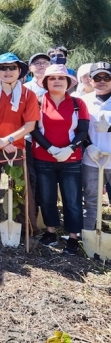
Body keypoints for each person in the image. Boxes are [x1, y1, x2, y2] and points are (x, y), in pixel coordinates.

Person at [0, 53, 40, 245]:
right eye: (3, 68)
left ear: (19, 71)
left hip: (16, 147)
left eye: (12, 67)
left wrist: (8, 140)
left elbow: (30, 125)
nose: (8, 71)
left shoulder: (28, 94)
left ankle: (26, 227)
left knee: (21, 187)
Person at [29, 64, 87, 255]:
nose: (57, 81)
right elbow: (34, 129)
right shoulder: (37, 102)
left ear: (68, 82)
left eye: (61, 78)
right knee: (47, 198)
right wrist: (50, 148)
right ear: (45, 82)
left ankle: (73, 236)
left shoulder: (78, 103)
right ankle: (50, 231)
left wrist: (70, 148)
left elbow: (83, 131)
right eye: (52, 78)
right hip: (44, 158)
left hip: (71, 160)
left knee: (72, 199)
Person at [80, 62, 111, 237]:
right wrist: (88, 146)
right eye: (97, 77)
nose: (102, 81)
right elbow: (78, 129)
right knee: (91, 199)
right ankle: (88, 235)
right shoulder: (83, 101)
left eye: (107, 77)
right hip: (91, 160)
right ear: (90, 80)